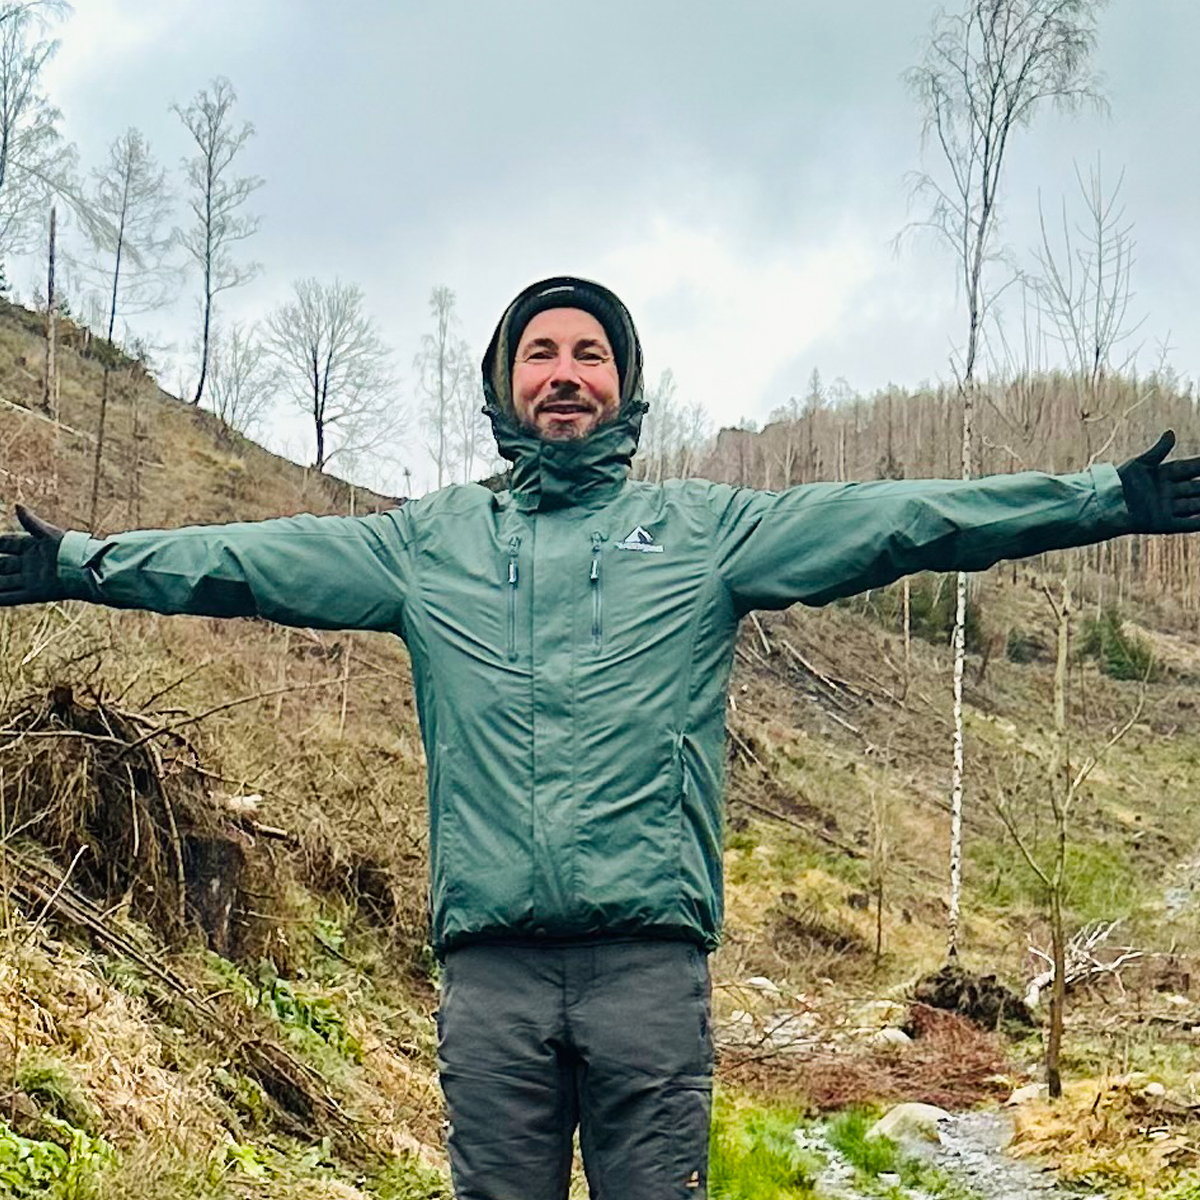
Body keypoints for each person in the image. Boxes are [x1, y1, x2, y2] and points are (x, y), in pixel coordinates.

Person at [1, 275, 1199, 1200]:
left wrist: (1105, 499)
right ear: (502, 385)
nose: (564, 373)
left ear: (625, 388)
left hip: (647, 970)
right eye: (541, 353)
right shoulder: (426, 546)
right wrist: (73, 563)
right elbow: (241, 560)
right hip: (491, 977)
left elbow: (905, 521)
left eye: (589, 355)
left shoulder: (705, 533)